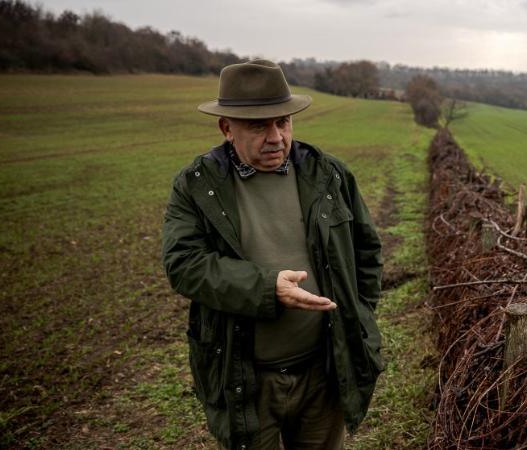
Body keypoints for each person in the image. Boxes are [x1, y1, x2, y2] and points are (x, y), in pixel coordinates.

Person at [162, 59, 384, 450]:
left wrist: (359, 316)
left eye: (283, 122)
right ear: (226, 128)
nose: (276, 137)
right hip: (245, 379)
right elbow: (184, 264)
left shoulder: (328, 175)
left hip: (324, 372)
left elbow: (367, 251)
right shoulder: (197, 185)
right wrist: (267, 288)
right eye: (258, 126)